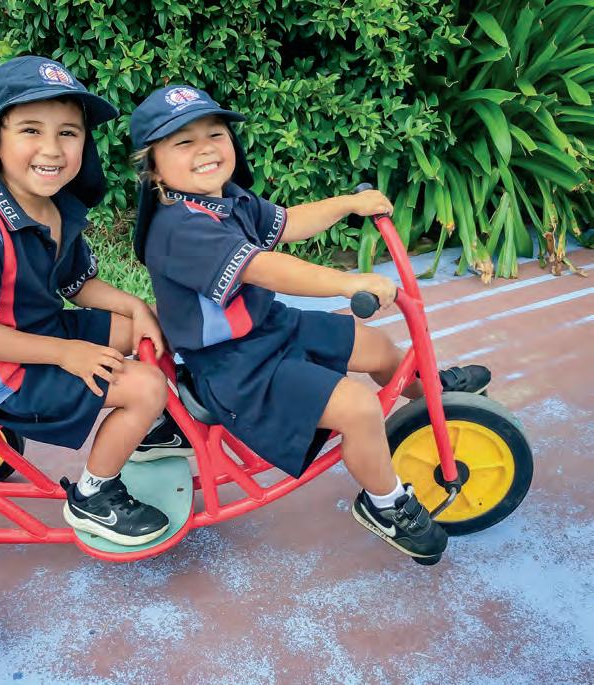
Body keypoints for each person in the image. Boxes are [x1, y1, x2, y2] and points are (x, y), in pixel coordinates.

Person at [127, 85, 491, 563]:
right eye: (183, 142)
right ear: (154, 168)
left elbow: (287, 223)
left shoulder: (226, 199)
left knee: (377, 347)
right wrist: (346, 282)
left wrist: (347, 205)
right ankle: (385, 504)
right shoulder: (180, 228)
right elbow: (263, 267)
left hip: (269, 329)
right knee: (359, 409)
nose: (206, 149)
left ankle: (434, 398)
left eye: (215, 134)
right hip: (234, 366)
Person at [0, 56, 172, 546]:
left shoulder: (56, 206)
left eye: (68, 132)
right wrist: (69, 353)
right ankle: (94, 496)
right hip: (3, 372)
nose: (52, 149)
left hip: (42, 332)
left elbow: (77, 285)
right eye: (30, 130)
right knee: (146, 385)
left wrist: (135, 307)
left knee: (152, 326)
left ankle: (152, 431)